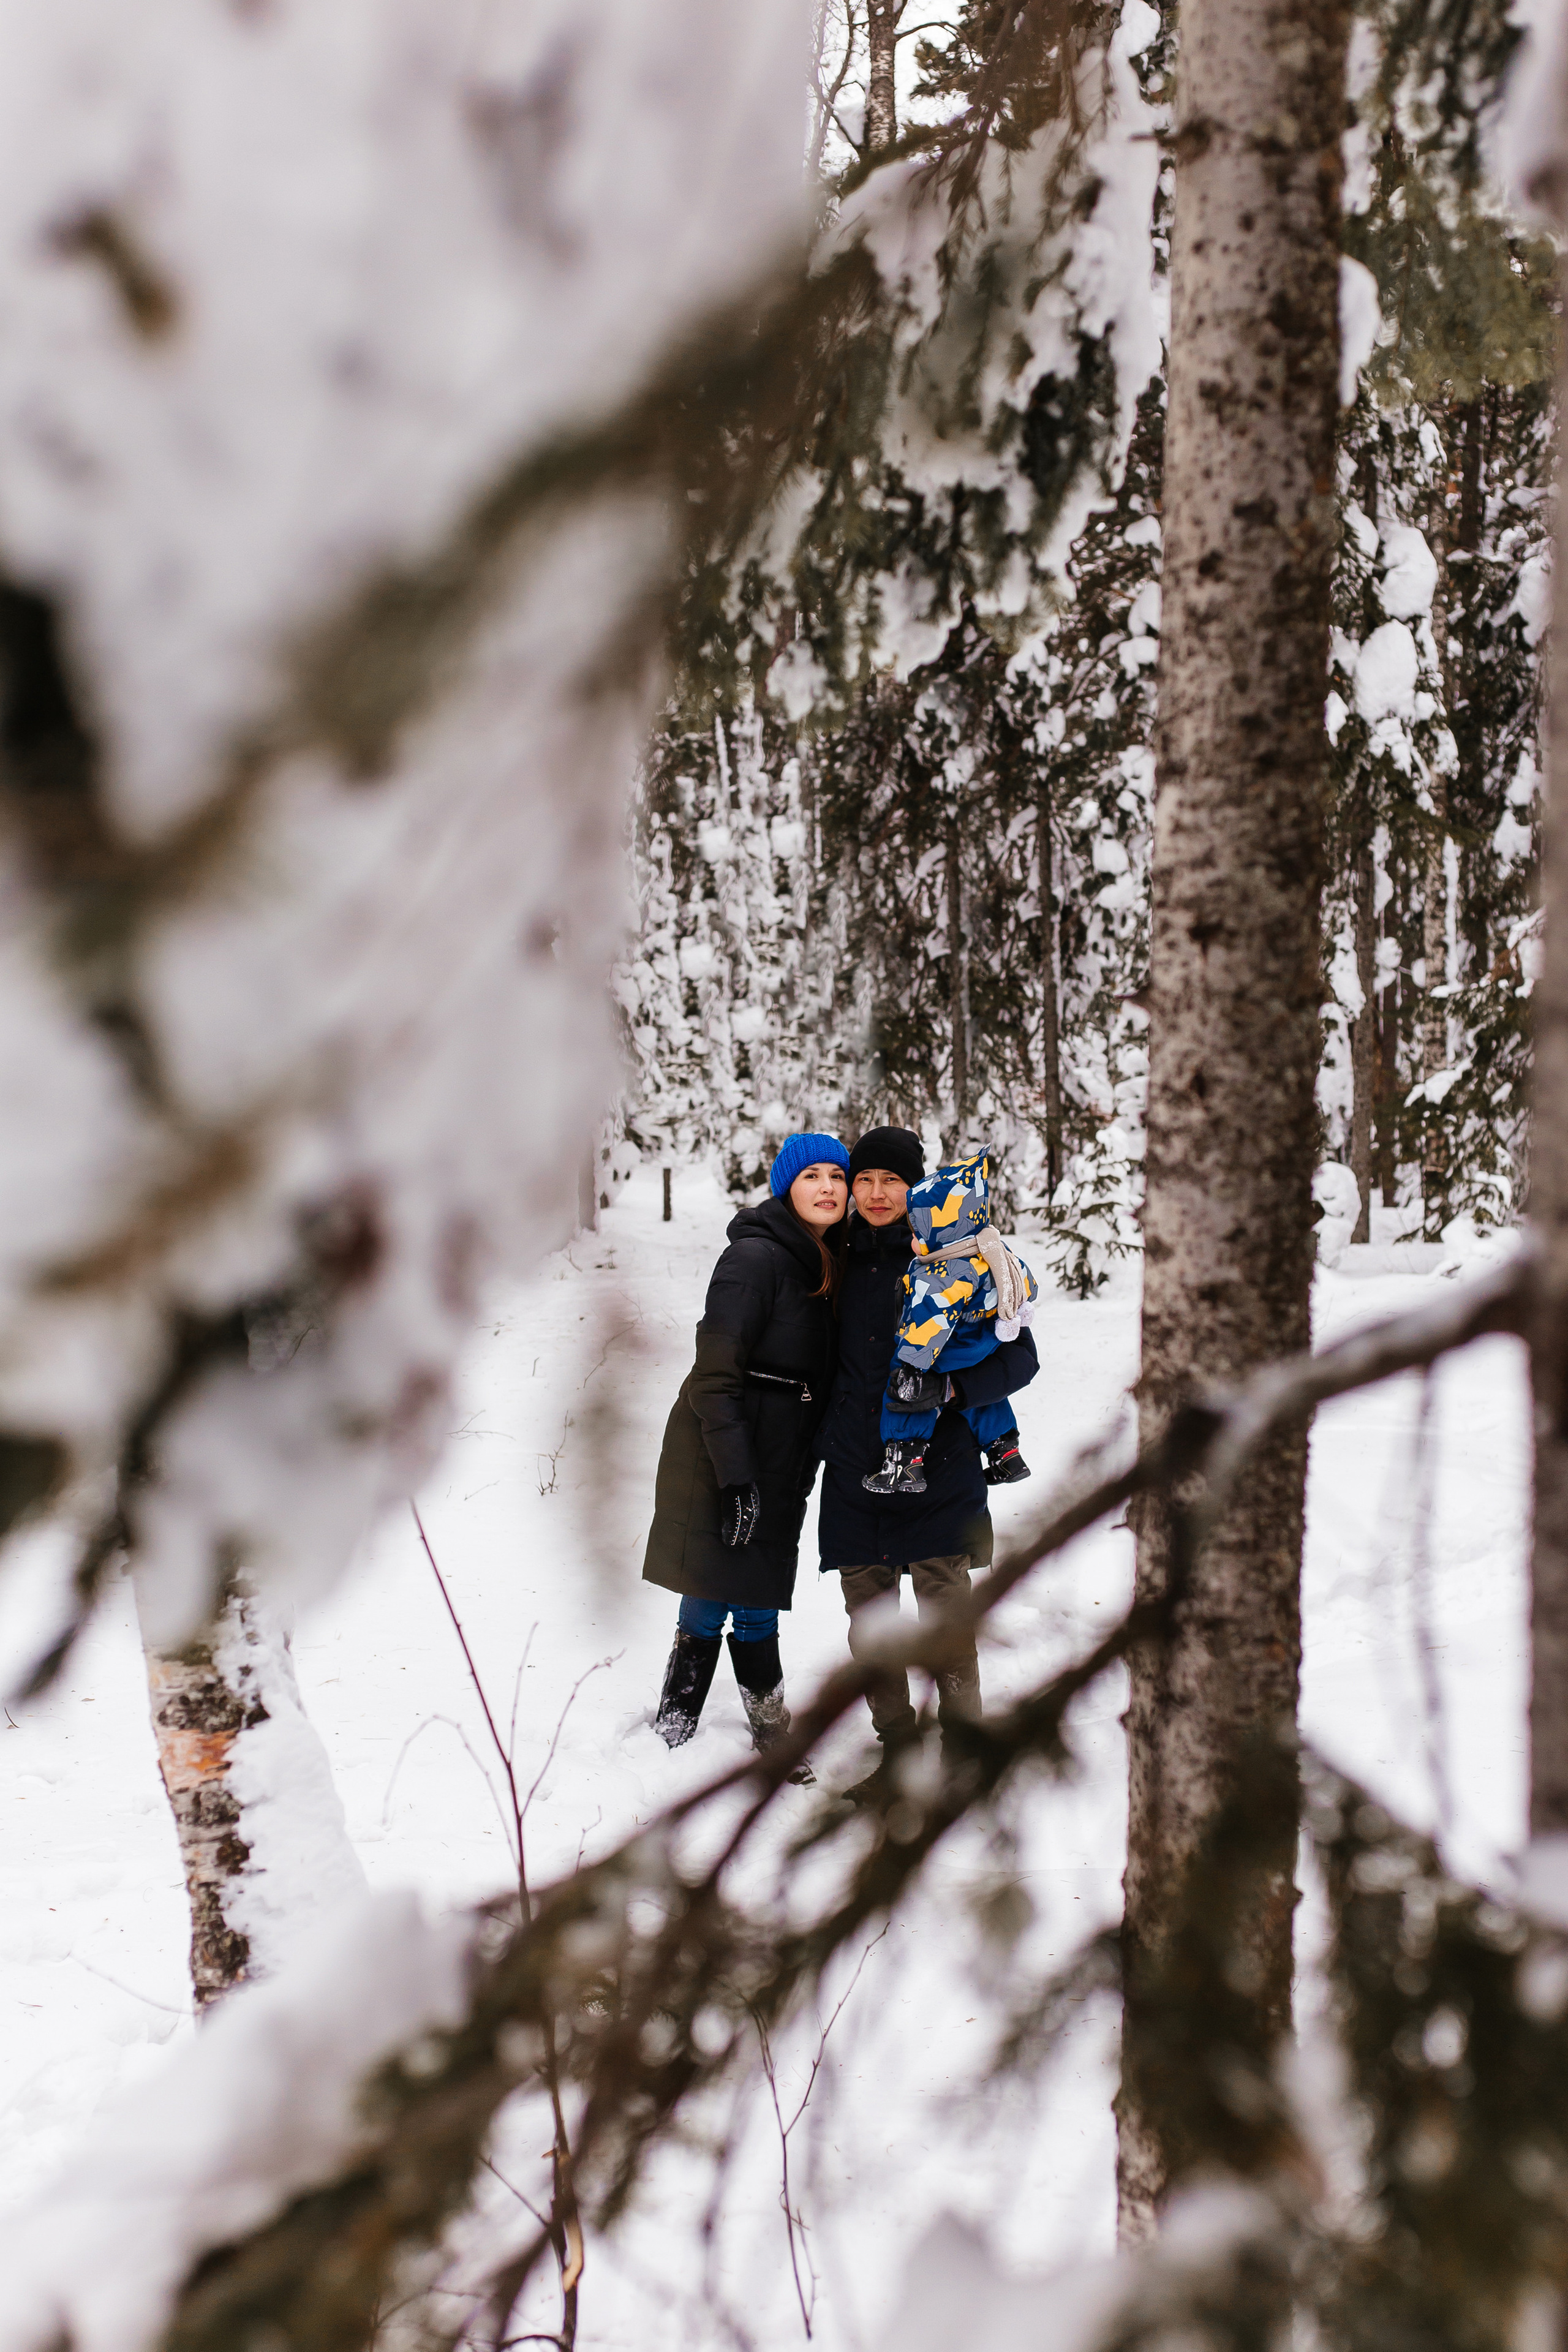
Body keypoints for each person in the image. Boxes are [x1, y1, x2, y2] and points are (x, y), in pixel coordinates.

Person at [814, 1126, 1039, 1777]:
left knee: (946, 1620)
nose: (877, 1194)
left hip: (940, 1466)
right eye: (865, 1181)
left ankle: (963, 1748)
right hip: (857, 1471)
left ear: (917, 1189)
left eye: (892, 1181)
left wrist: (953, 1388)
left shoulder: (962, 1257)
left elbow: (1020, 1359)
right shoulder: (833, 1260)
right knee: (871, 1627)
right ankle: (896, 1750)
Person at [642, 1131, 848, 1774]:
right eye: (812, 1175)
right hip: (722, 1436)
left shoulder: (824, 1260)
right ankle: (681, 1720)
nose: (828, 1188)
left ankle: (765, 1724)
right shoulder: (754, 1260)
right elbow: (713, 1375)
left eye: (837, 1177)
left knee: (757, 1585)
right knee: (714, 1582)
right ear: (786, 1185)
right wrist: (735, 1477)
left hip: (785, 1443)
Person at [862, 1148, 1036, 1496]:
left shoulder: (940, 1273)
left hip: (944, 1349)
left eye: (917, 1231)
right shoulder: (991, 1254)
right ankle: (1005, 1451)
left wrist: (912, 1366)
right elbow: (1024, 1283)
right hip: (983, 1343)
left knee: (905, 1389)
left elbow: (930, 1322)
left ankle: (904, 1459)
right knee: (986, 1398)